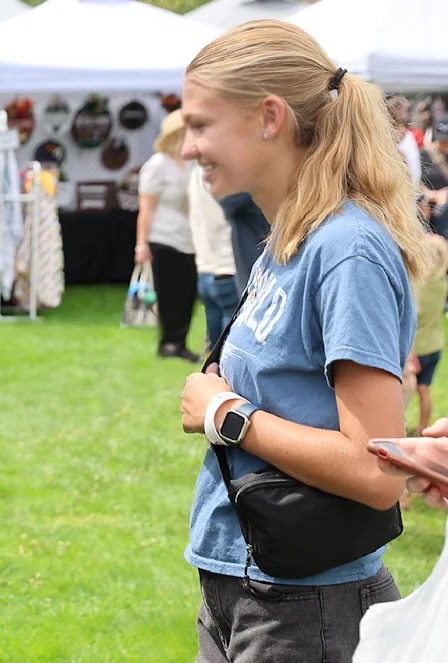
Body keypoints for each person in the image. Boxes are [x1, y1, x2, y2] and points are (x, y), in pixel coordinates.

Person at [177, 19, 430, 662]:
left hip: (304, 603)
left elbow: (377, 472)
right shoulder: (289, 241)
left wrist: (224, 417)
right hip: (249, 581)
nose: (187, 147)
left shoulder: (345, 251)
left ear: (268, 118)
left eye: (202, 125)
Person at [136, 111, 200, 361]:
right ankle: (169, 342)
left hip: (190, 238)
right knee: (170, 293)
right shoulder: (158, 165)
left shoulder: (193, 163)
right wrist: (141, 243)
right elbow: (146, 208)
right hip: (164, 237)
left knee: (187, 293)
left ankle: (180, 340)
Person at [187, 162, 238, 351]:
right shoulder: (225, 175)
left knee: (213, 348)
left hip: (204, 268)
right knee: (228, 349)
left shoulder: (195, 175)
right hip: (227, 267)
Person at [409, 233, 448, 434]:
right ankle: (423, 427)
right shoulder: (441, 283)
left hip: (418, 347)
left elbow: (414, 315)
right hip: (436, 344)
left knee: (405, 389)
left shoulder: (418, 284)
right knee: (425, 389)